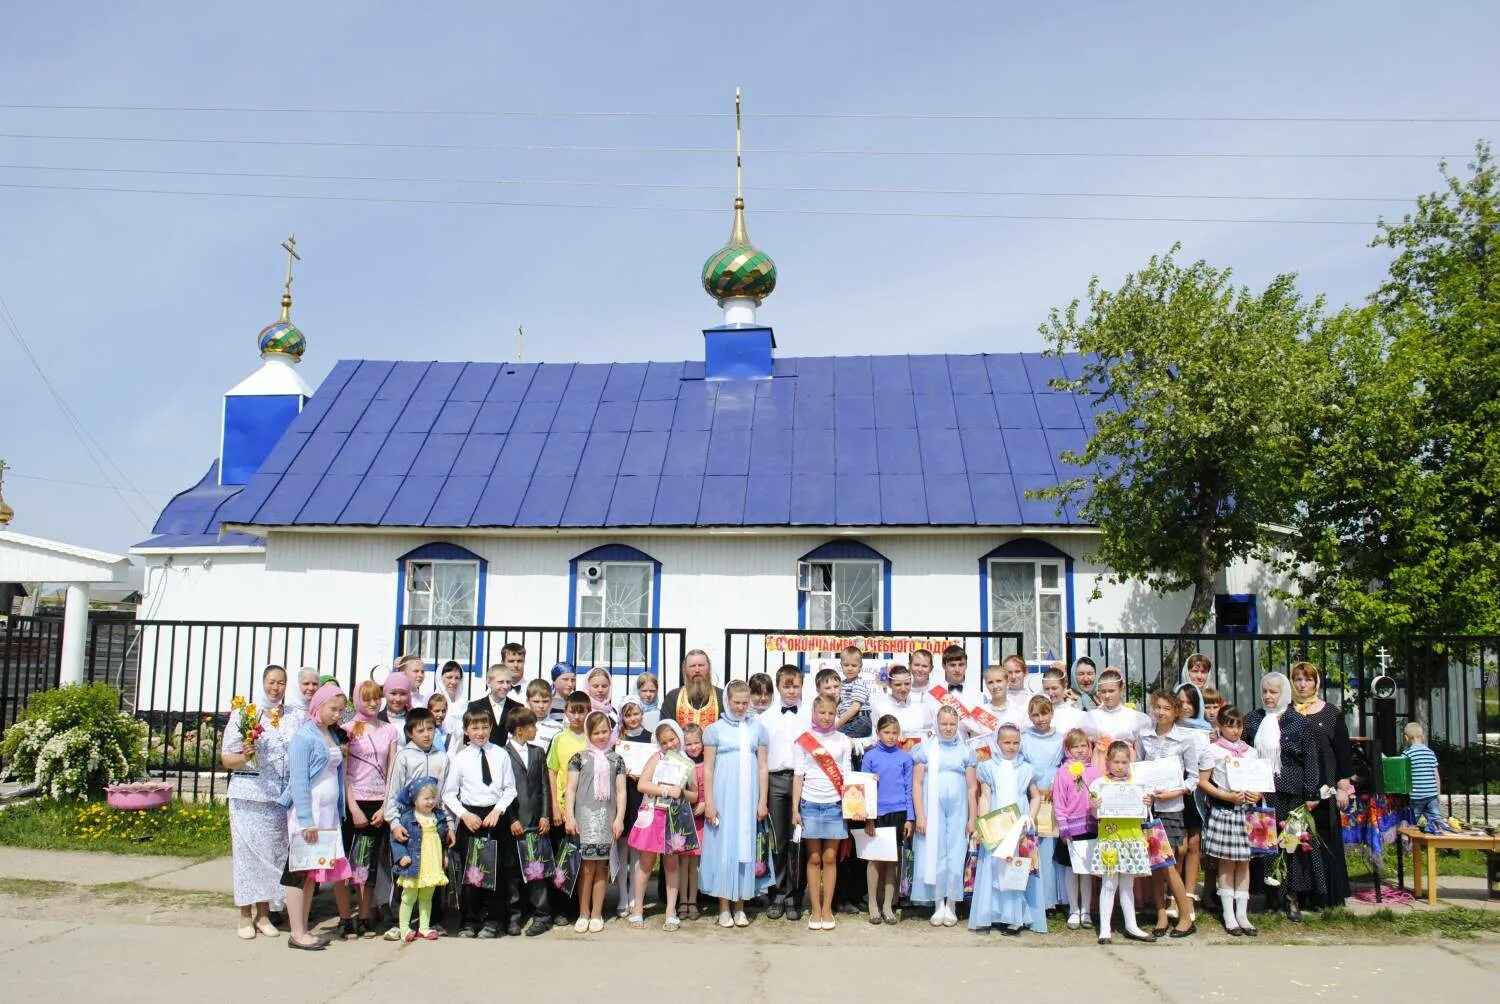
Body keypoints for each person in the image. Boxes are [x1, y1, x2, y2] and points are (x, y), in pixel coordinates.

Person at [222, 664, 295, 939]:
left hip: (278, 798)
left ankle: (264, 915)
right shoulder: (245, 714)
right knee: (247, 856)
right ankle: (245, 914)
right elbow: (226, 758)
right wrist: (245, 755)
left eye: (281, 683)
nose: (275, 688)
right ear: (263, 682)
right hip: (248, 795)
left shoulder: (291, 717)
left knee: (271, 857)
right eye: (271, 682)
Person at [1243, 671, 1323, 922]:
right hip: (1261, 793)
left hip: (1291, 793)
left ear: (1284, 693)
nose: (1268, 696)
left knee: (1292, 844)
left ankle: (1293, 897)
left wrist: (1311, 791)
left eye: (1274, 692)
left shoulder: (1299, 722)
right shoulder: (1253, 720)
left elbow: (1310, 759)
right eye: (1265, 691)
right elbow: (1243, 752)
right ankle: (1270, 894)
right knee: (1266, 844)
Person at [278, 682, 353, 951]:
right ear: (318, 705)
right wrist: (307, 820)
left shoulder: (329, 733)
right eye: (333, 708)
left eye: (340, 710)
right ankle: (297, 931)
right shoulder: (304, 737)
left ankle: (303, 928)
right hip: (307, 814)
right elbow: (299, 782)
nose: (337, 714)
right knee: (299, 871)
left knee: (311, 872)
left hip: (327, 815)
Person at [700, 679, 772, 928]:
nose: (741, 707)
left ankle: (741, 904)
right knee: (724, 847)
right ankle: (723, 907)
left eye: (744, 703)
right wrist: (709, 801)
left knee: (746, 845)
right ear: (727, 701)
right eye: (736, 702)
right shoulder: (715, 730)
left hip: (748, 795)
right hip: (723, 794)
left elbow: (763, 767)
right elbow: (708, 769)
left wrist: (762, 801)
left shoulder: (758, 729)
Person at [442, 708, 519, 938]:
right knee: (471, 873)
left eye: (485, 727)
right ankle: (470, 921)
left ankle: (494, 921)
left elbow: (510, 789)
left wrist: (498, 810)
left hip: (495, 816)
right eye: (475, 728)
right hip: (471, 818)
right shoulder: (460, 758)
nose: (480, 732)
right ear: (466, 731)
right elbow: (448, 794)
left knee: (496, 872)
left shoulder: (500, 754)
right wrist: (464, 815)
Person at [970, 724, 1045, 935]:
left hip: (1018, 823)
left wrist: (1030, 816)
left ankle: (1014, 917)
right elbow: (985, 796)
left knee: (1015, 867)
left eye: (1015, 742)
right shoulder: (988, 766)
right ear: (998, 742)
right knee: (994, 864)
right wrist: (982, 823)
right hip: (996, 821)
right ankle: (992, 913)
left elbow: (1036, 795)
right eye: (1006, 742)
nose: (1011, 747)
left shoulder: (1026, 768)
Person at [1288, 661, 1352, 907]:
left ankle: (1326, 896)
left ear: (1316, 682)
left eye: (1308, 679)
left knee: (1324, 838)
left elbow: (1342, 752)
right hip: (1296, 785)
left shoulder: (1331, 713)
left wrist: (1343, 785)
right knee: (1298, 839)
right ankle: (1299, 893)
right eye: (1298, 679)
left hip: (1326, 786)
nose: (1303, 685)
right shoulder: (1287, 712)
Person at [629, 719, 699, 931]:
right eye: (664, 742)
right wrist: (666, 791)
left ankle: (671, 910)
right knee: (646, 863)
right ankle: (638, 908)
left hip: (675, 817)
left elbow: (694, 794)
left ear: (679, 737)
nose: (669, 745)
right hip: (654, 815)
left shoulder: (688, 763)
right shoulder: (656, 758)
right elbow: (642, 784)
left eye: (672, 739)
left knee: (671, 864)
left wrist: (683, 793)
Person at [1198, 704, 1262, 936]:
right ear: (1220, 726)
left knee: (1244, 862)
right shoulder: (1213, 750)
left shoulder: (1250, 752)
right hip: (1225, 808)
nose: (1234, 731)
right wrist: (1225, 795)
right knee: (1226, 861)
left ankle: (1242, 913)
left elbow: (1260, 780)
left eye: (1238, 726)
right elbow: (1203, 781)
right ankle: (1228, 913)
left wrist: (1258, 793)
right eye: (1229, 726)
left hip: (1246, 810)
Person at [1137, 690, 1196, 938]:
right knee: (1155, 864)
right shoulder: (1144, 736)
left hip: (1172, 807)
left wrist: (1175, 792)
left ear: (1176, 711)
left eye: (1166, 708)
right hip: (1149, 809)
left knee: (1169, 862)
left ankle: (1185, 915)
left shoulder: (1185, 739)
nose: (1160, 712)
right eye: (1157, 707)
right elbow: (1139, 768)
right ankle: (1161, 914)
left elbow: (1193, 777)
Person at [911, 705, 976, 926]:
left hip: (958, 808)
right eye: (943, 724)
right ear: (936, 725)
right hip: (932, 807)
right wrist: (920, 815)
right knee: (935, 851)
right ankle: (938, 902)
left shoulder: (967, 751)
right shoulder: (925, 749)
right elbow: (917, 784)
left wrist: (972, 818)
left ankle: (953, 904)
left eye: (952, 724)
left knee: (955, 852)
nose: (948, 728)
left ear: (958, 725)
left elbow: (971, 788)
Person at [792, 693, 853, 931]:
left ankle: (827, 908)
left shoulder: (843, 740)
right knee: (813, 858)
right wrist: (795, 808)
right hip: (809, 802)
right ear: (814, 713)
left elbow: (847, 774)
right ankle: (814, 908)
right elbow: (798, 774)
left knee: (830, 858)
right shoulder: (803, 741)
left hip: (835, 804)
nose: (826, 717)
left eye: (831, 713)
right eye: (822, 713)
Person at [345, 679, 399, 938]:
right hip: (354, 802)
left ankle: (366, 916)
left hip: (378, 803)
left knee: (368, 865)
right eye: (366, 698)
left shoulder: (389, 731)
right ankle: (346, 916)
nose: (372, 703)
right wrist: (353, 806)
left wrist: (386, 805)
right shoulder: (347, 729)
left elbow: (392, 769)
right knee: (348, 863)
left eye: (376, 698)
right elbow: (342, 772)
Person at [1089, 740, 1155, 944]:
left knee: (1128, 884)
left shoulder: (1137, 784)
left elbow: (1145, 813)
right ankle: (1105, 929)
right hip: (1110, 840)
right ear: (1107, 762)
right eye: (1116, 761)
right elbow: (1094, 814)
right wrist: (1095, 806)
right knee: (1109, 884)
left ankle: (1131, 925)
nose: (1120, 766)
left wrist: (1147, 803)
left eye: (1124, 762)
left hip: (1132, 838)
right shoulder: (1099, 784)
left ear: (1130, 762)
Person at [566, 711, 627, 933]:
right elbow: (571, 790)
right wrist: (570, 817)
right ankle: (583, 912)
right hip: (583, 819)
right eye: (597, 732)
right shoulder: (578, 758)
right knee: (586, 868)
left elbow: (621, 792)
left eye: (605, 731)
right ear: (588, 733)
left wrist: (619, 818)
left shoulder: (617, 759)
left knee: (601, 866)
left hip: (606, 820)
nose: (601, 736)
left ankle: (596, 913)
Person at [501, 706, 554, 936]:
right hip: (514, 822)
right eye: (532, 726)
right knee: (512, 872)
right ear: (520, 730)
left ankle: (542, 915)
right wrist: (511, 818)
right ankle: (514, 916)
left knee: (537, 870)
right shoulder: (502, 754)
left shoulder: (538, 752)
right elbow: (502, 789)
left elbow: (543, 786)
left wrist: (545, 814)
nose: (536, 729)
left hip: (535, 820)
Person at [764, 664, 809, 921]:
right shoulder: (766, 717)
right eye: (787, 685)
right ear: (778, 687)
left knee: (798, 841)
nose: (792, 690)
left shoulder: (810, 716)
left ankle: (795, 896)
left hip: (802, 780)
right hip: (776, 781)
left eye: (796, 685)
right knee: (778, 840)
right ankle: (778, 893)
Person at [861, 713, 914, 924]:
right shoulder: (870, 757)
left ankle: (888, 905)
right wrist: (868, 818)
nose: (891, 737)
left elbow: (909, 789)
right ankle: (873, 903)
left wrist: (910, 817)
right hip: (877, 814)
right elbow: (865, 788)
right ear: (878, 733)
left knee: (892, 861)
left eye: (894, 733)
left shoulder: (905, 758)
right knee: (875, 860)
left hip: (899, 813)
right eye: (887, 732)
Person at [388, 776, 453, 942]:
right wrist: (402, 855)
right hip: (414, 864)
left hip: (431, 863)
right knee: (409, 896)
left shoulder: (438, 816)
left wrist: (444, 855)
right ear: (415, 800)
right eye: (426, 798)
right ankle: (404, 928)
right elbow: (395, 839)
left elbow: (443, 837)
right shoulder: (407, 818)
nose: (430, 802)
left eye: (433, 798)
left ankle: (424, 927)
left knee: (426, 897)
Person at [546, 691, 591, 922]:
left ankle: (580, 906)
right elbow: (552, 772)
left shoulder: (592, 739)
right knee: (563, 858)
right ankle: (562, 907)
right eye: (573, 710)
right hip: (564, 808)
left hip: (588, 809)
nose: (577, 716)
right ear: (565, 712)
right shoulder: (559, 739)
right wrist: (555, 806)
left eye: (582, 711)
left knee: (584, 860)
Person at [1020, 695, 1067, 912]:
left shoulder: (1060, 739)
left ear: (1052, 713)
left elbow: (1066, 766)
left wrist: (1054, 785)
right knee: (1030, 844)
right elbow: (1021, 765)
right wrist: (1033, 787)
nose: (1040, 719)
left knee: (1049, 846)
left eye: (1044, 713)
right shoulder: (1025, 739)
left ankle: (1049, 899)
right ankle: (1029, 895)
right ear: (1029, 716)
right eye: (1035, 715)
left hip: (1052, 793)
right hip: (1032, 791)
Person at [1052, 729, 1098, 930]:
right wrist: (1063, 827)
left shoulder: (1095, 771)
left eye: (1083, 746)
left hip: (1090, 826)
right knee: (1071, 871)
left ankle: (1086, 909)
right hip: (1071, 828)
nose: (1080, 750)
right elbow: (1059, 801)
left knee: (1087, 870)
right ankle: (1073, 908)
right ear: (1067, 749)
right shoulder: (1063, 772)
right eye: (1075, 747)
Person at [1174, 682, 1213, 917]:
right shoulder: (1170, 727)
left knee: (1194, 844)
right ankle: (1174, 894)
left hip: (1196, 792)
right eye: (1181, 702)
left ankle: (1189, 895)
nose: (1185, 707)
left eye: (1190, 702)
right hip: (1175, 790)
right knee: (1178, 847)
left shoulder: (1205, 731)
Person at [614, 696, 651, 918]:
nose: (633, 718)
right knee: (622, 848)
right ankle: (622, 896)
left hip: (643, 797)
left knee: (638, 848)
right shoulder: (618, 739)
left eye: (636, 713)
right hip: (623, 796)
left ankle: (636, 894)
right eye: (628, 715)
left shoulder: (651, 738)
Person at [1085, 669, 1151, 769]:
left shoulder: (1135, 717)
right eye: (1103, 691)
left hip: (1125, 766)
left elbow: (1141, 752)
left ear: (1122, 689)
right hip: (1099, 766)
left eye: (1111, 691)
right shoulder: (1091, 717)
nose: (1107, 696)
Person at [681, 722, 707, 920]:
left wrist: (705, 803)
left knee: (695, 863)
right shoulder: (681, 763)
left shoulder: (707, 763)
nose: (693, 747)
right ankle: (683, 901)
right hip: (684, 817)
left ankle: (693, 900)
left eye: (696, 742)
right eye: (688, 744)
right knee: (683, 862)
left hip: (701, 819)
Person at [662, 648, 724, 728]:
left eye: (701, 665)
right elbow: (666, 730)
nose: (697, 670)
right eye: (692, 666)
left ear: (709, 668)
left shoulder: (722, 697)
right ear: (685, 670)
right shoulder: (673, 697)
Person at [468, 663, 523, 746]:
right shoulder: (475, 706)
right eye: (500, 682)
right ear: (489, 682)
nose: (505, 686)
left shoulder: (517, 708)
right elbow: (469, 736)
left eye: (508, 682)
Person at [873, 664, 931, 740]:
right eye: (898, 685)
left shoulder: (921, 706)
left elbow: (929, 734)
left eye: (907, 684)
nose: (903, 689)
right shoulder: (880, 708)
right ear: (890, 685)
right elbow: (874, 738)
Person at [1403, 722, 1443, 827]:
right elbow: (1436, 775)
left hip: (1416, 796)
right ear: (1423, 737)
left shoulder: (1407, 754)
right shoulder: (1430, 752)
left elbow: (1404, 776)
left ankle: (1408, 841)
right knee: (1436, 821)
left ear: (1406, 738)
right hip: (1431, 794)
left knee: (1411, 822)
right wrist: (1438, 793)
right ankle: (1437, 838)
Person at [834, 646, 873, 743]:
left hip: (861, 721)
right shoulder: (842, 683)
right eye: (846, 665)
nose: (850, 668)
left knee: (834, 737)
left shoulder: (858, 683)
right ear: (841, 665)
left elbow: (855, 708)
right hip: (849, 722)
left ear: (860, 667)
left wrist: (837, 725)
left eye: (854, 665)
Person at [1041, 667, 1085, 737]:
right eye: (1046, 689)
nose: (1050, 693)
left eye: (1054, 688)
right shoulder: (1038, 712)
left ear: (1064, 686)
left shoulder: (1076, 715)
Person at [526, 679, 562, 750]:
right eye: (536, 702)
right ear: (528, 701)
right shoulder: (518, 724)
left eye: (545, 701)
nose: (541, 706)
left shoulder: (558, 728)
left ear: (551, 701)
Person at [379, 672, 413, 742]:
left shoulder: (415, 720)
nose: (398, 699)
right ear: (385, 693)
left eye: (403, 694)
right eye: (393, 693)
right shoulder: (376, 719)